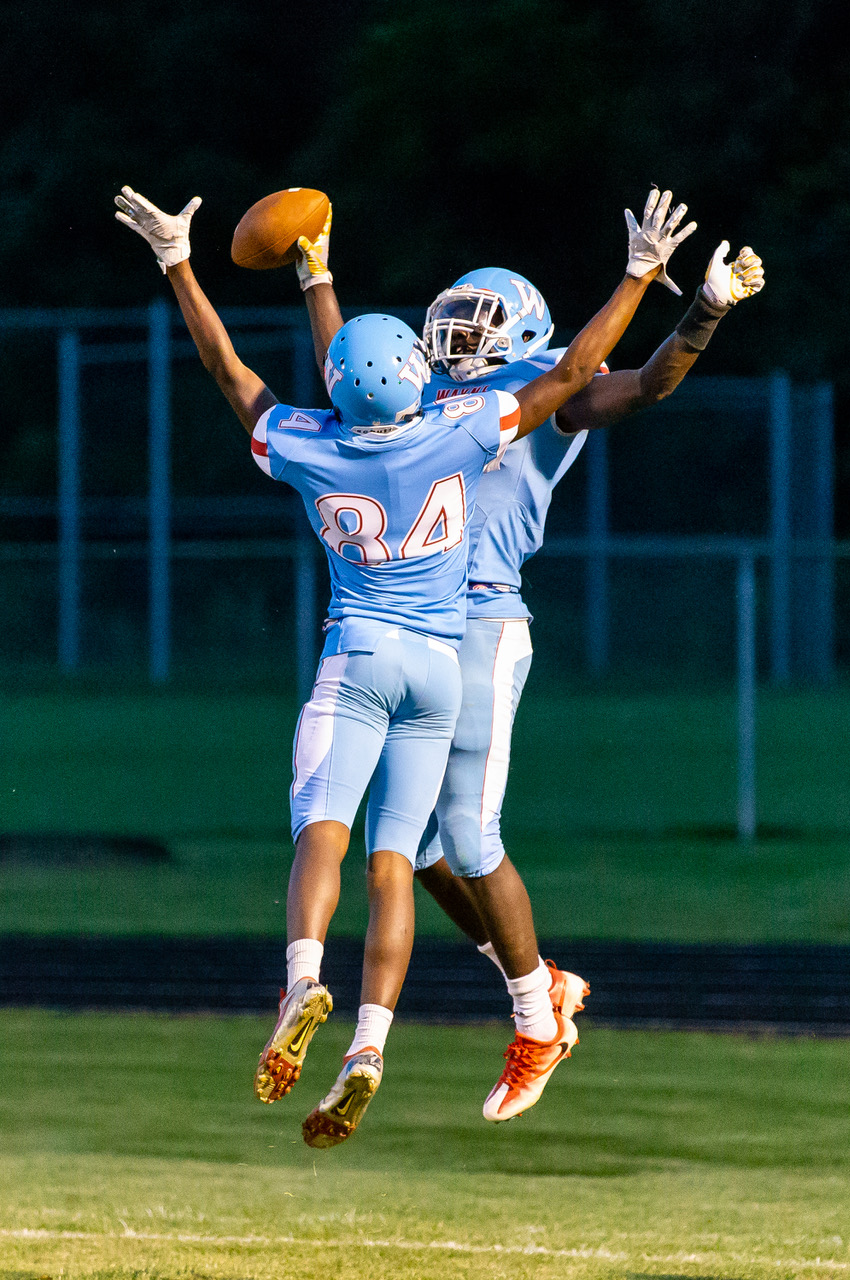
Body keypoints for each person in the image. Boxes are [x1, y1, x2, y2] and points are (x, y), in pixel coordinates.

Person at [114, 184, 684, 1146]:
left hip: (372, 654)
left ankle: (308, 980)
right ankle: (372, 1045)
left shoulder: (311, 443)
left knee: (327, 834)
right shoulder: (452, 436)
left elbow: (230, 371)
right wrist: (637, 279)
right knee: (400, 862)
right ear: (417, 379)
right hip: (436, 668)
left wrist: (182, 261)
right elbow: (571, 370)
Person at [292, 193, 764, 1123]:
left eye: (478, 328)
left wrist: (701, 309)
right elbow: (343, 367)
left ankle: (537, 1014)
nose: (457, 344)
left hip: (479, 622)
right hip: (409, 630)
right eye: (451, 326)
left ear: (530, 335)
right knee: (417, 848)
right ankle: (542, 981)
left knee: (467, 838)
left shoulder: (546, 383)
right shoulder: (422, 393)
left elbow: (645, 383)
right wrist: (318, 276)